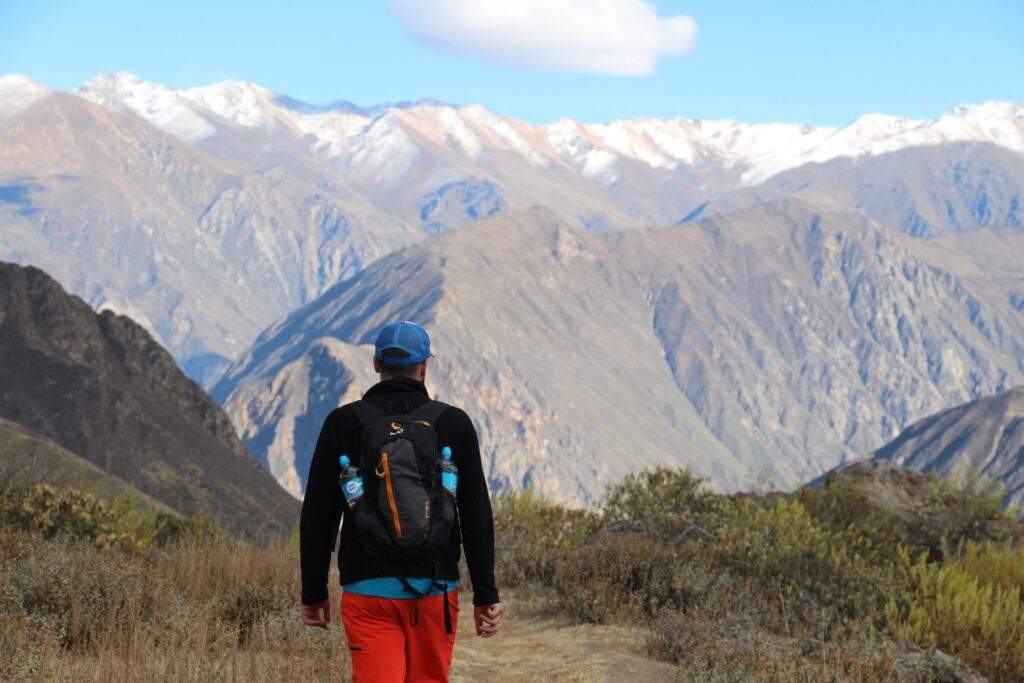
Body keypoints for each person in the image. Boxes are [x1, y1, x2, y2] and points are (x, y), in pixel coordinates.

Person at [300, 320, 504, 682]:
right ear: (424, 367)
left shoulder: (342, 423)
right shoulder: (453, 423)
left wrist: (314, 592)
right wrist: (485, 594)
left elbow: (318, 515)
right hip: (435, 590)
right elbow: (475, 514)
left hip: (367, 592)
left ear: (376, 363)